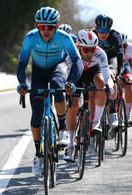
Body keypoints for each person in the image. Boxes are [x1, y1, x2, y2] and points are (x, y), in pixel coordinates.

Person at [16, 7, 83, 174]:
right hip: (38, 71)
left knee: (56, 85)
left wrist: (71, 82)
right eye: (42, 27)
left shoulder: (64, 38)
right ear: (37, 26)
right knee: (36, 117)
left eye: (50, 27)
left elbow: (77, 62)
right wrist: (23, 83)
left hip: (57, 68)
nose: (46, 30)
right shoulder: (30, 38)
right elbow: (22, 64)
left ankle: (62, 130)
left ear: (56, 26)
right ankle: (39, 154)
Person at [64, 29, 115, 161]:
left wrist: (109, 86)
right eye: (86, 50)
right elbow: (67, 75)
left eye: (92, 49)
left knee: (102, 85)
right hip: (77, 71)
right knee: (73, 105)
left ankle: (95, 123)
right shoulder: (71, 52)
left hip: (93, 71)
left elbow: (106, 75)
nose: (90, 53)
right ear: (79, 46)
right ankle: (70, 143)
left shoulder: (100, 53)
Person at [92, 14, 124, 129]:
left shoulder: (116, 36)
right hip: (97, 60)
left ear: (110, 30)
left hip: (111, 60)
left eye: (106, 31)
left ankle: (112, 112)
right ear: (96, 29)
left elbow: (120, 56)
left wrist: (119, 72)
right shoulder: (91, 34)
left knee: (111, 76)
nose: (103, 34)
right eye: (100, 30)